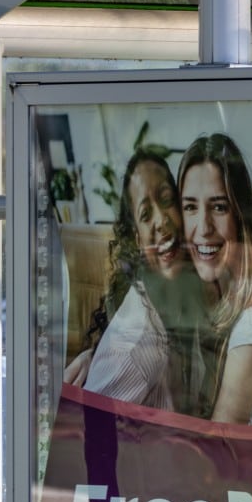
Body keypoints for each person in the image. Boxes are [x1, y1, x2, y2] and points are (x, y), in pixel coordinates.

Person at [69, 147, 208, 411]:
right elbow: (85, 446)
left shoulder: (186, 298)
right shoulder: (135, 349)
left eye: (167, 200)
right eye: (145, 214)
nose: (161, 220)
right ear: (137, 239)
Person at [174, 133, 252, 425]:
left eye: (219, 207)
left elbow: (214, 455)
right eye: (190, 207)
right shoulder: (193, 303)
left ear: (239, 217)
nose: (203, 227)